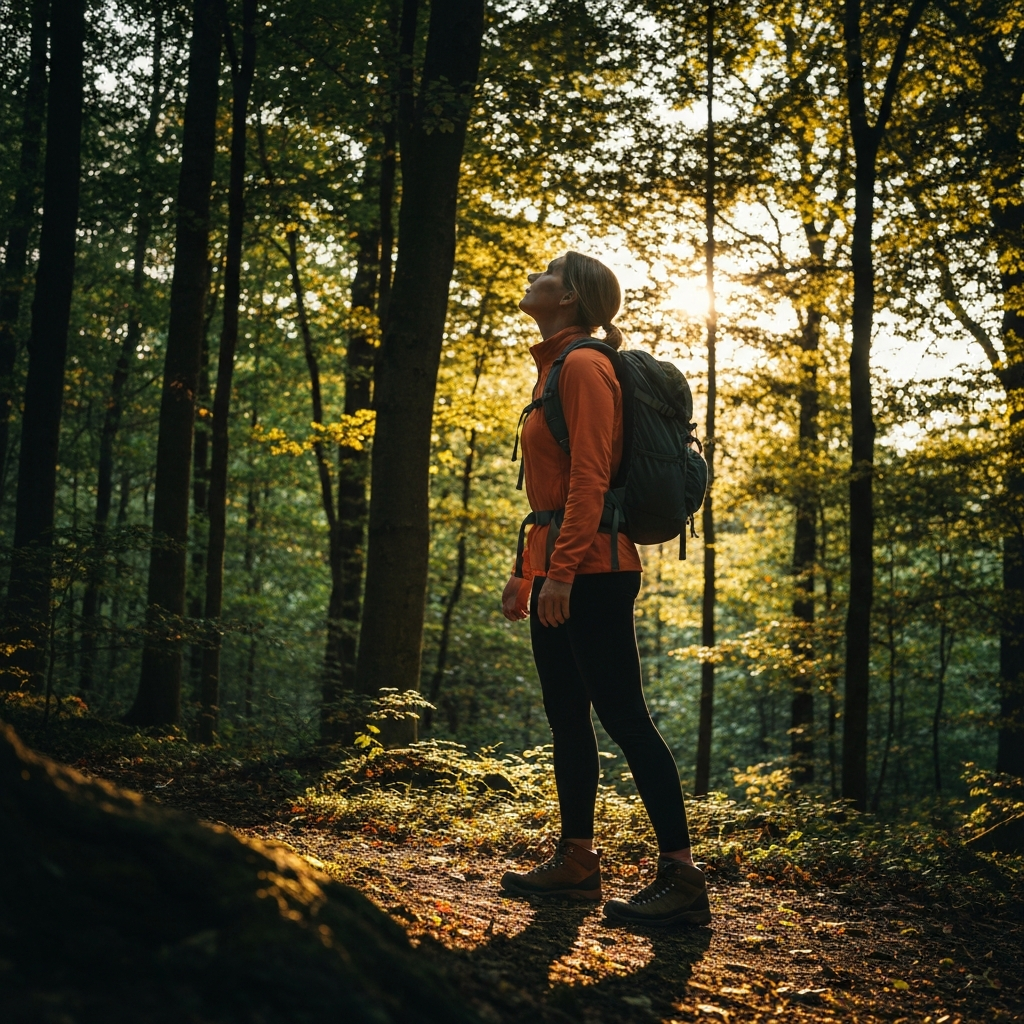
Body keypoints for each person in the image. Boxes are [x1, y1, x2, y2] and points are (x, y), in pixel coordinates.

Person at [499, 252, 711, 927]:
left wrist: (560, 574)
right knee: (568, 717)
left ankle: (681, 876)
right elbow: (549, 492)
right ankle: (577, 860)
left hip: (594, 570)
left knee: (625, 718)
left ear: (571, 298)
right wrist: (525, 572)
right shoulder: (554, 369)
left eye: (549, 273)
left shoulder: (587, 365)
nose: (536, 278)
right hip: (561, 566)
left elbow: (591, 475)